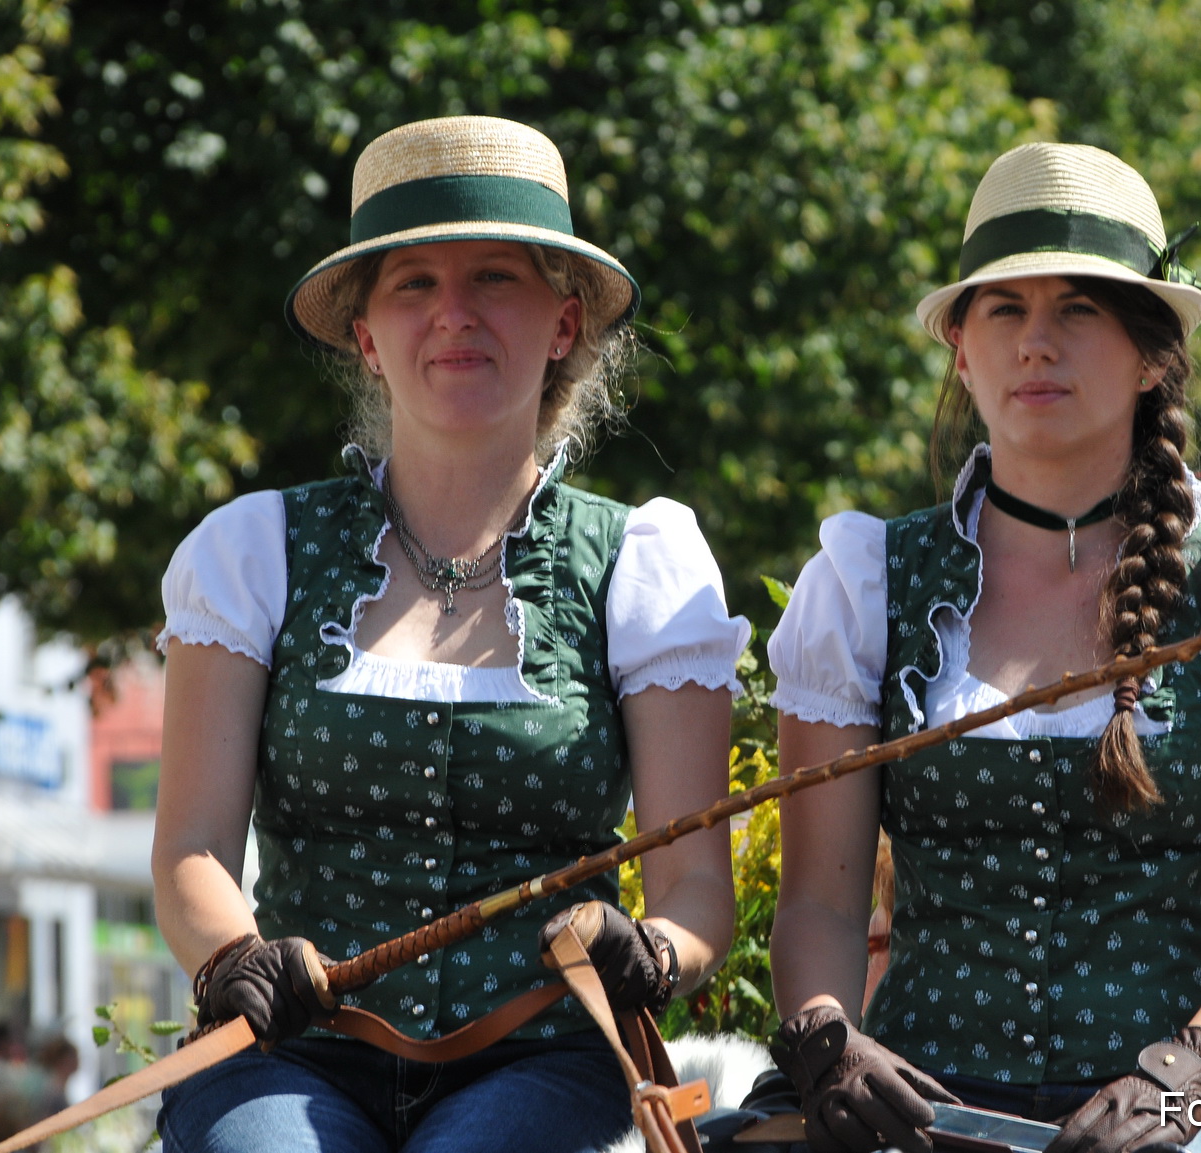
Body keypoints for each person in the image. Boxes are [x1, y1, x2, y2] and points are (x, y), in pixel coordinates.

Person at [151, 116, 747, 1153]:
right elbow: (193, 848)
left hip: (545, 1061)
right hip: (292, 1054)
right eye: (414, 284)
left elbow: (694, 888)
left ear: (563, 324)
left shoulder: (644, 567)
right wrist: (233, 955)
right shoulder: (252, 553)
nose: (454, 314)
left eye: (496, 279)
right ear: (366, 336)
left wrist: (651, 951)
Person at [764, 143, 1201, 1153]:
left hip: (1176, 1112)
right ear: (960, 345)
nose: (1036, 343)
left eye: (1077, 308)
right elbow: (819, 895)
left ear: (1150, 352)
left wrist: (1186, 1072)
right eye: (1005, 309)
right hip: (913, 1106)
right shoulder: (863, 584)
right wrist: (831, 1040)